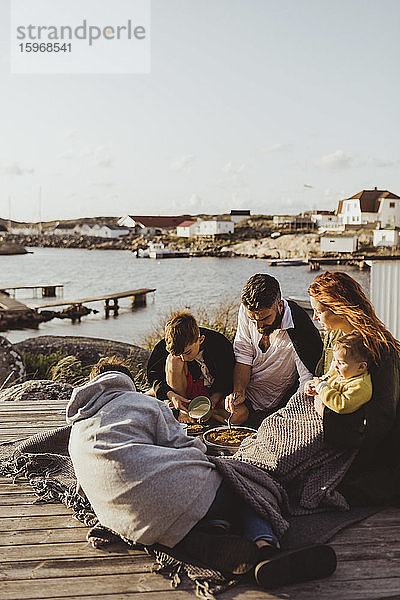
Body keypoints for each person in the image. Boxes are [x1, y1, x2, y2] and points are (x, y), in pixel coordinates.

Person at [67, 357, 337, 588]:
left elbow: (83, 485)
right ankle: (265, 550)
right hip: (171, 491)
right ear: (126, 383)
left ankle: (213, 533)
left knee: (200, 500)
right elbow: (185, 444)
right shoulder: (142, 404)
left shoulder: (77, 428)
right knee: (246, 486)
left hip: (130, 522)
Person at [308, 271, 400, 505]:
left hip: (367, 449)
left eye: (320, 311)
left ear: (339, 307)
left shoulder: (380, 349)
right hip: (333, 421)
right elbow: (328, 378)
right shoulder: (335, 337)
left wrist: (325, 411)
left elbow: (381, 418)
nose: (316, 318)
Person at [225, 273, 323, 427]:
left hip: (278, 405)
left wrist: (290, 416)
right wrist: (239, 392)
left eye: (264, 319)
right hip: (246, 397)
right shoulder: (247, 310)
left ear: (280, 306)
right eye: (253, 320)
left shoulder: (299, 326)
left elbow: (306, 379)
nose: (258, 326)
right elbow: (243, 354)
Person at [147, 311, 235, 423]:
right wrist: (172, 396)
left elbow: (227, 377)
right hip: (184, 392)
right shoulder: (164, 346)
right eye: (179, 354)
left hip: (213, 394)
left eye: (188, 352)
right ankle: (183, 410)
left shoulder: (219, 343)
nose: (183, 358)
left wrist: (211, 403)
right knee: (174, 360)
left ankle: (201, 413)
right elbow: (154, 375)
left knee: (240, 415)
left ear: (200, 339)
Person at [305, 332, 372, 416]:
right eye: (334, 360)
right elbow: (323, 380)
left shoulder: (360, 386)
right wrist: (313, 386)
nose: (335, 366)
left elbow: (341, 405)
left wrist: (321, 388)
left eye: (341, 363)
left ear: (361, 367)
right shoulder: (337, 372)